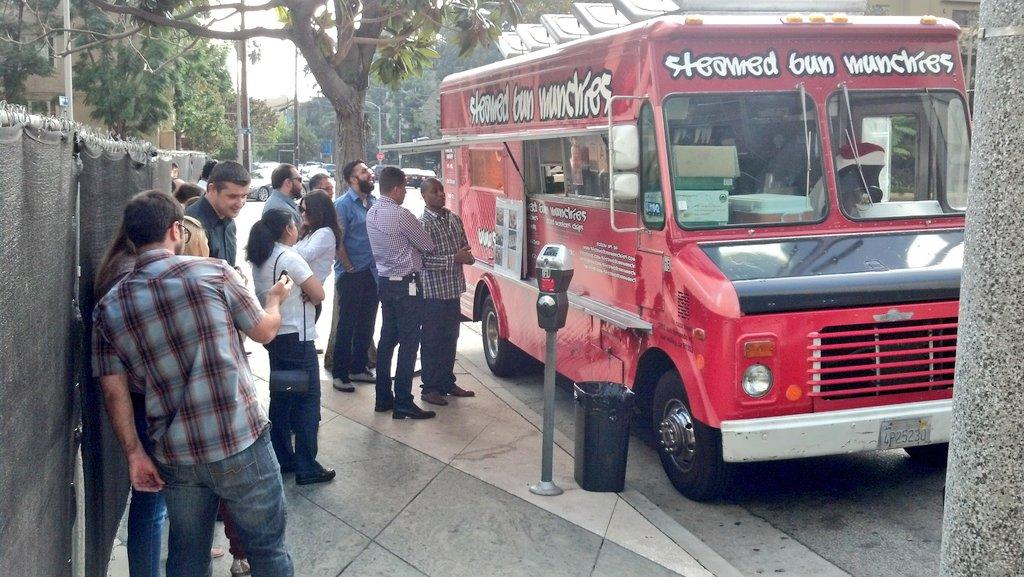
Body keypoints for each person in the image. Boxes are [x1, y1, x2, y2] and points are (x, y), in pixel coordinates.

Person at [93, 190, 295, 577]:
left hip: (176, 454)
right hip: (241, 441)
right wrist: (274, 299)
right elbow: (265, 332)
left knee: (186, 560)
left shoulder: (110, 306)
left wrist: (135, 454)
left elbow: (113, 390)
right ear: (175, 229)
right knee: (268, 552)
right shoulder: (214, 272)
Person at [95, 225, 167, 577]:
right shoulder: (129, 275)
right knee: (151, 503)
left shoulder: (124, 265)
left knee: (153, 503)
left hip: (141, 399)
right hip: (145, 401)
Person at [247, 209, 336, 486]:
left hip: (276, 337)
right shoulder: (289, 257)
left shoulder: (262, 256)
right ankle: (307, 465)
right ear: (288, 228)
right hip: (298, 338)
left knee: (283, 398)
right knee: (307, 402)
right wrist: (308, 292)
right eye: (296, 225)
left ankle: (284, 458)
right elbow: (319, 293)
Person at [365, 166, 436, 419]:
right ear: (395, 189)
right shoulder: (401, 215)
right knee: (409, 342)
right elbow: (427, 244)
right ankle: (404, 401)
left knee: (387, 340)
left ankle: (383, 398)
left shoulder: (371, 212)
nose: (405, 192)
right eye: (404, 188)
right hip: (407, 284)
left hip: (385, 282)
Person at [417, 178, 476, 406]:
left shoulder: (453, 218)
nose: (441, 194)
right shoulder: (422, 224)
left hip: (452, 290)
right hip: (433, 293)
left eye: (442, 190)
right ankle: (429, 388)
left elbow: (464, 246)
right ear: (424, 196)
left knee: (451, 338)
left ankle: (447, 382)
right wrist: (454, 258)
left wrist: (466, 256)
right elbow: (422, 261)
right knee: (432, 341)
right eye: (435, 191)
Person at [330, 160, 379, 391]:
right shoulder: (342, 205)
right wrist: (348, 267)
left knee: (367, 322)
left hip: (372, 273)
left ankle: (359, 367)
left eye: (368, 170)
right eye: (363, 171)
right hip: (351, 274)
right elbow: (338, 240)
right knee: (347, 324)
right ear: (352, 179)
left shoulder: (373, 202)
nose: (369, 173)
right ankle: (340, 374)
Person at [186, 161, 249, 265]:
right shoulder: (192, 225)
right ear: (212, 189)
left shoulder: (229, 221)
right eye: (232, 196)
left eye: (244, 196)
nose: (240, 204)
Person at [294, 190, 341, 322]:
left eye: (307, 211)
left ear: (318, 212)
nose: (303, 214)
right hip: (301, 295)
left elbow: (305, 255)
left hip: (309, 296)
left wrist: (287, 245)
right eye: (301, 210)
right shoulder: (310, 232)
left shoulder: (325, 233)